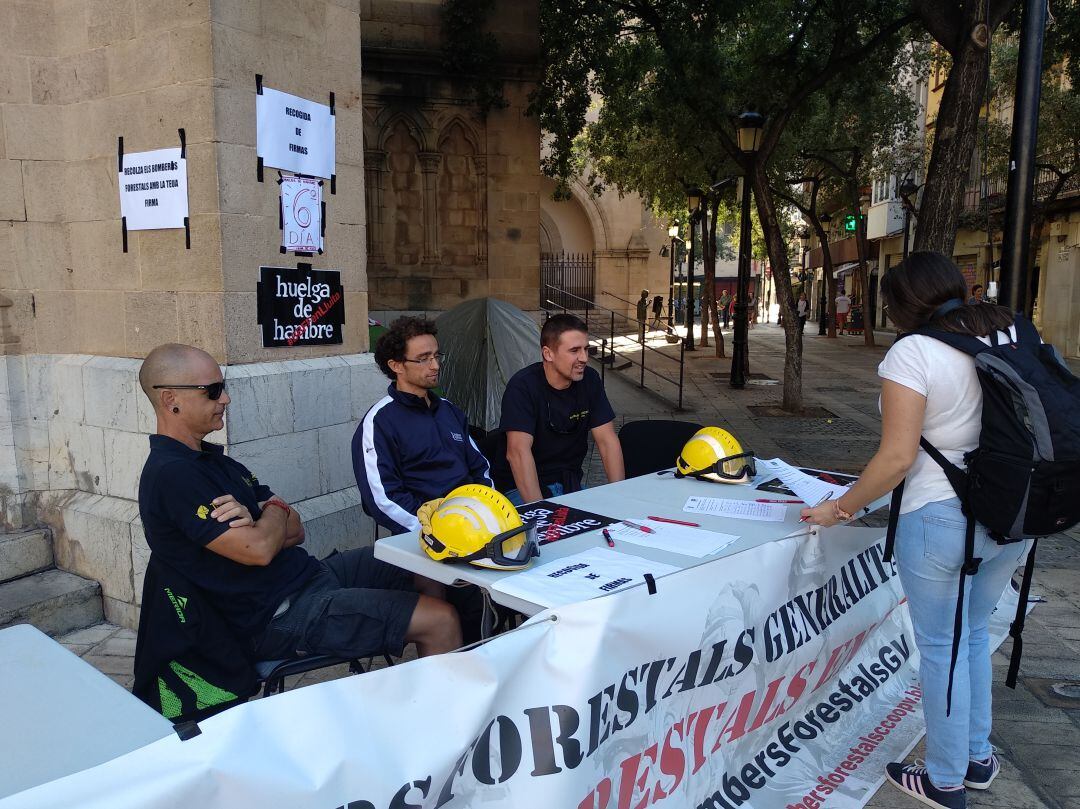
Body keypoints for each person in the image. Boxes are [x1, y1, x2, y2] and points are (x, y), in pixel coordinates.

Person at [801, 252, 1030, 809]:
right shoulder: (1008, 331)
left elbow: (897, 458)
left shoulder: (913, 352)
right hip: (1013, 512)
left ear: (902, 305)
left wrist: (840, 508)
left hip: (938, 518)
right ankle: (976, 757)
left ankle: (945, 780)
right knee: (973, 634)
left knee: (942, 647)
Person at [136, 344, 462, 668]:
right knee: (441, 620)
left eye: (224, 387)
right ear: (170, 399)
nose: (225, 399)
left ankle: (425, 674)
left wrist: (265, 516)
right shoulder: (173, 475)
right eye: (213, 390)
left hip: (308, 576)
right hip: (277, 613)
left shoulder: (215, 462)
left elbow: (296, 530)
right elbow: (260, 548)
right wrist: (273, 511)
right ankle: (442, 683)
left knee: (423, 562)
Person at [353, 316, 492, 535]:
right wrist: (436, 531)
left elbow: (481, 468)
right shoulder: (379, 422)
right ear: (396, 365)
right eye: (423, 359)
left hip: (476, 524)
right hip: (424, 538)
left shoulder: (449, 410)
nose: (435, 365)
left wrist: (485, 513)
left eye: (436, 356)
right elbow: (383, 499)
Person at [492, 313, 625, 504]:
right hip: (520, 489)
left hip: (570, 485)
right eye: (574, 350)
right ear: (548, 354)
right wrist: (541, 510)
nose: (584, 358)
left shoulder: (590, 379)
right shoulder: (523, 386)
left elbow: (607, 440)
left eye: (586, 349)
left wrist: (621, 497)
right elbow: (518, 453)